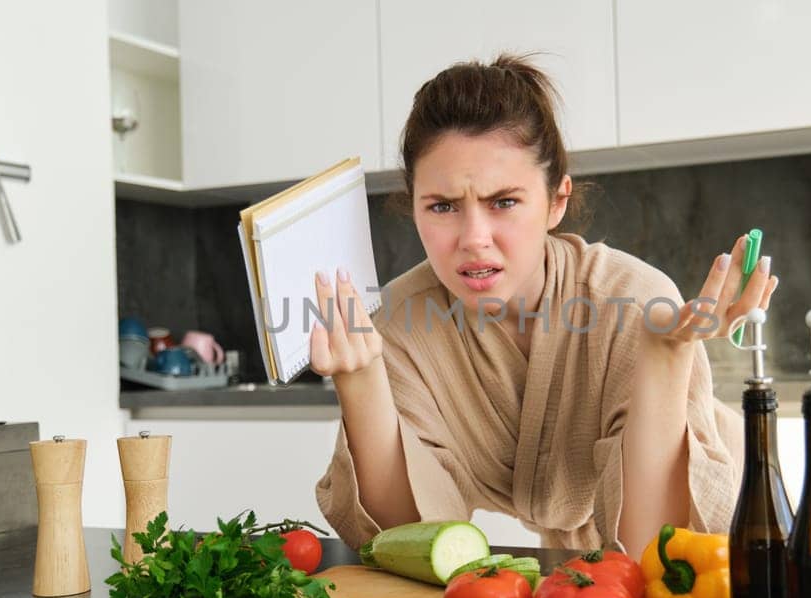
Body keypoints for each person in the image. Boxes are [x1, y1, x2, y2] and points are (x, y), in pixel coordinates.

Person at [311, 53, 777, 557]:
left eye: (504, 202)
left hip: (732, 527)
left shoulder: (634, 300)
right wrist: (359, 382)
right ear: (415, 205)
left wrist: (664, 357)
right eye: (443, 206)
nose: (474, 239)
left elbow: (656, 550)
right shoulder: (400, 321)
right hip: (576, 561)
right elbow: (409, 540)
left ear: (556, 202)